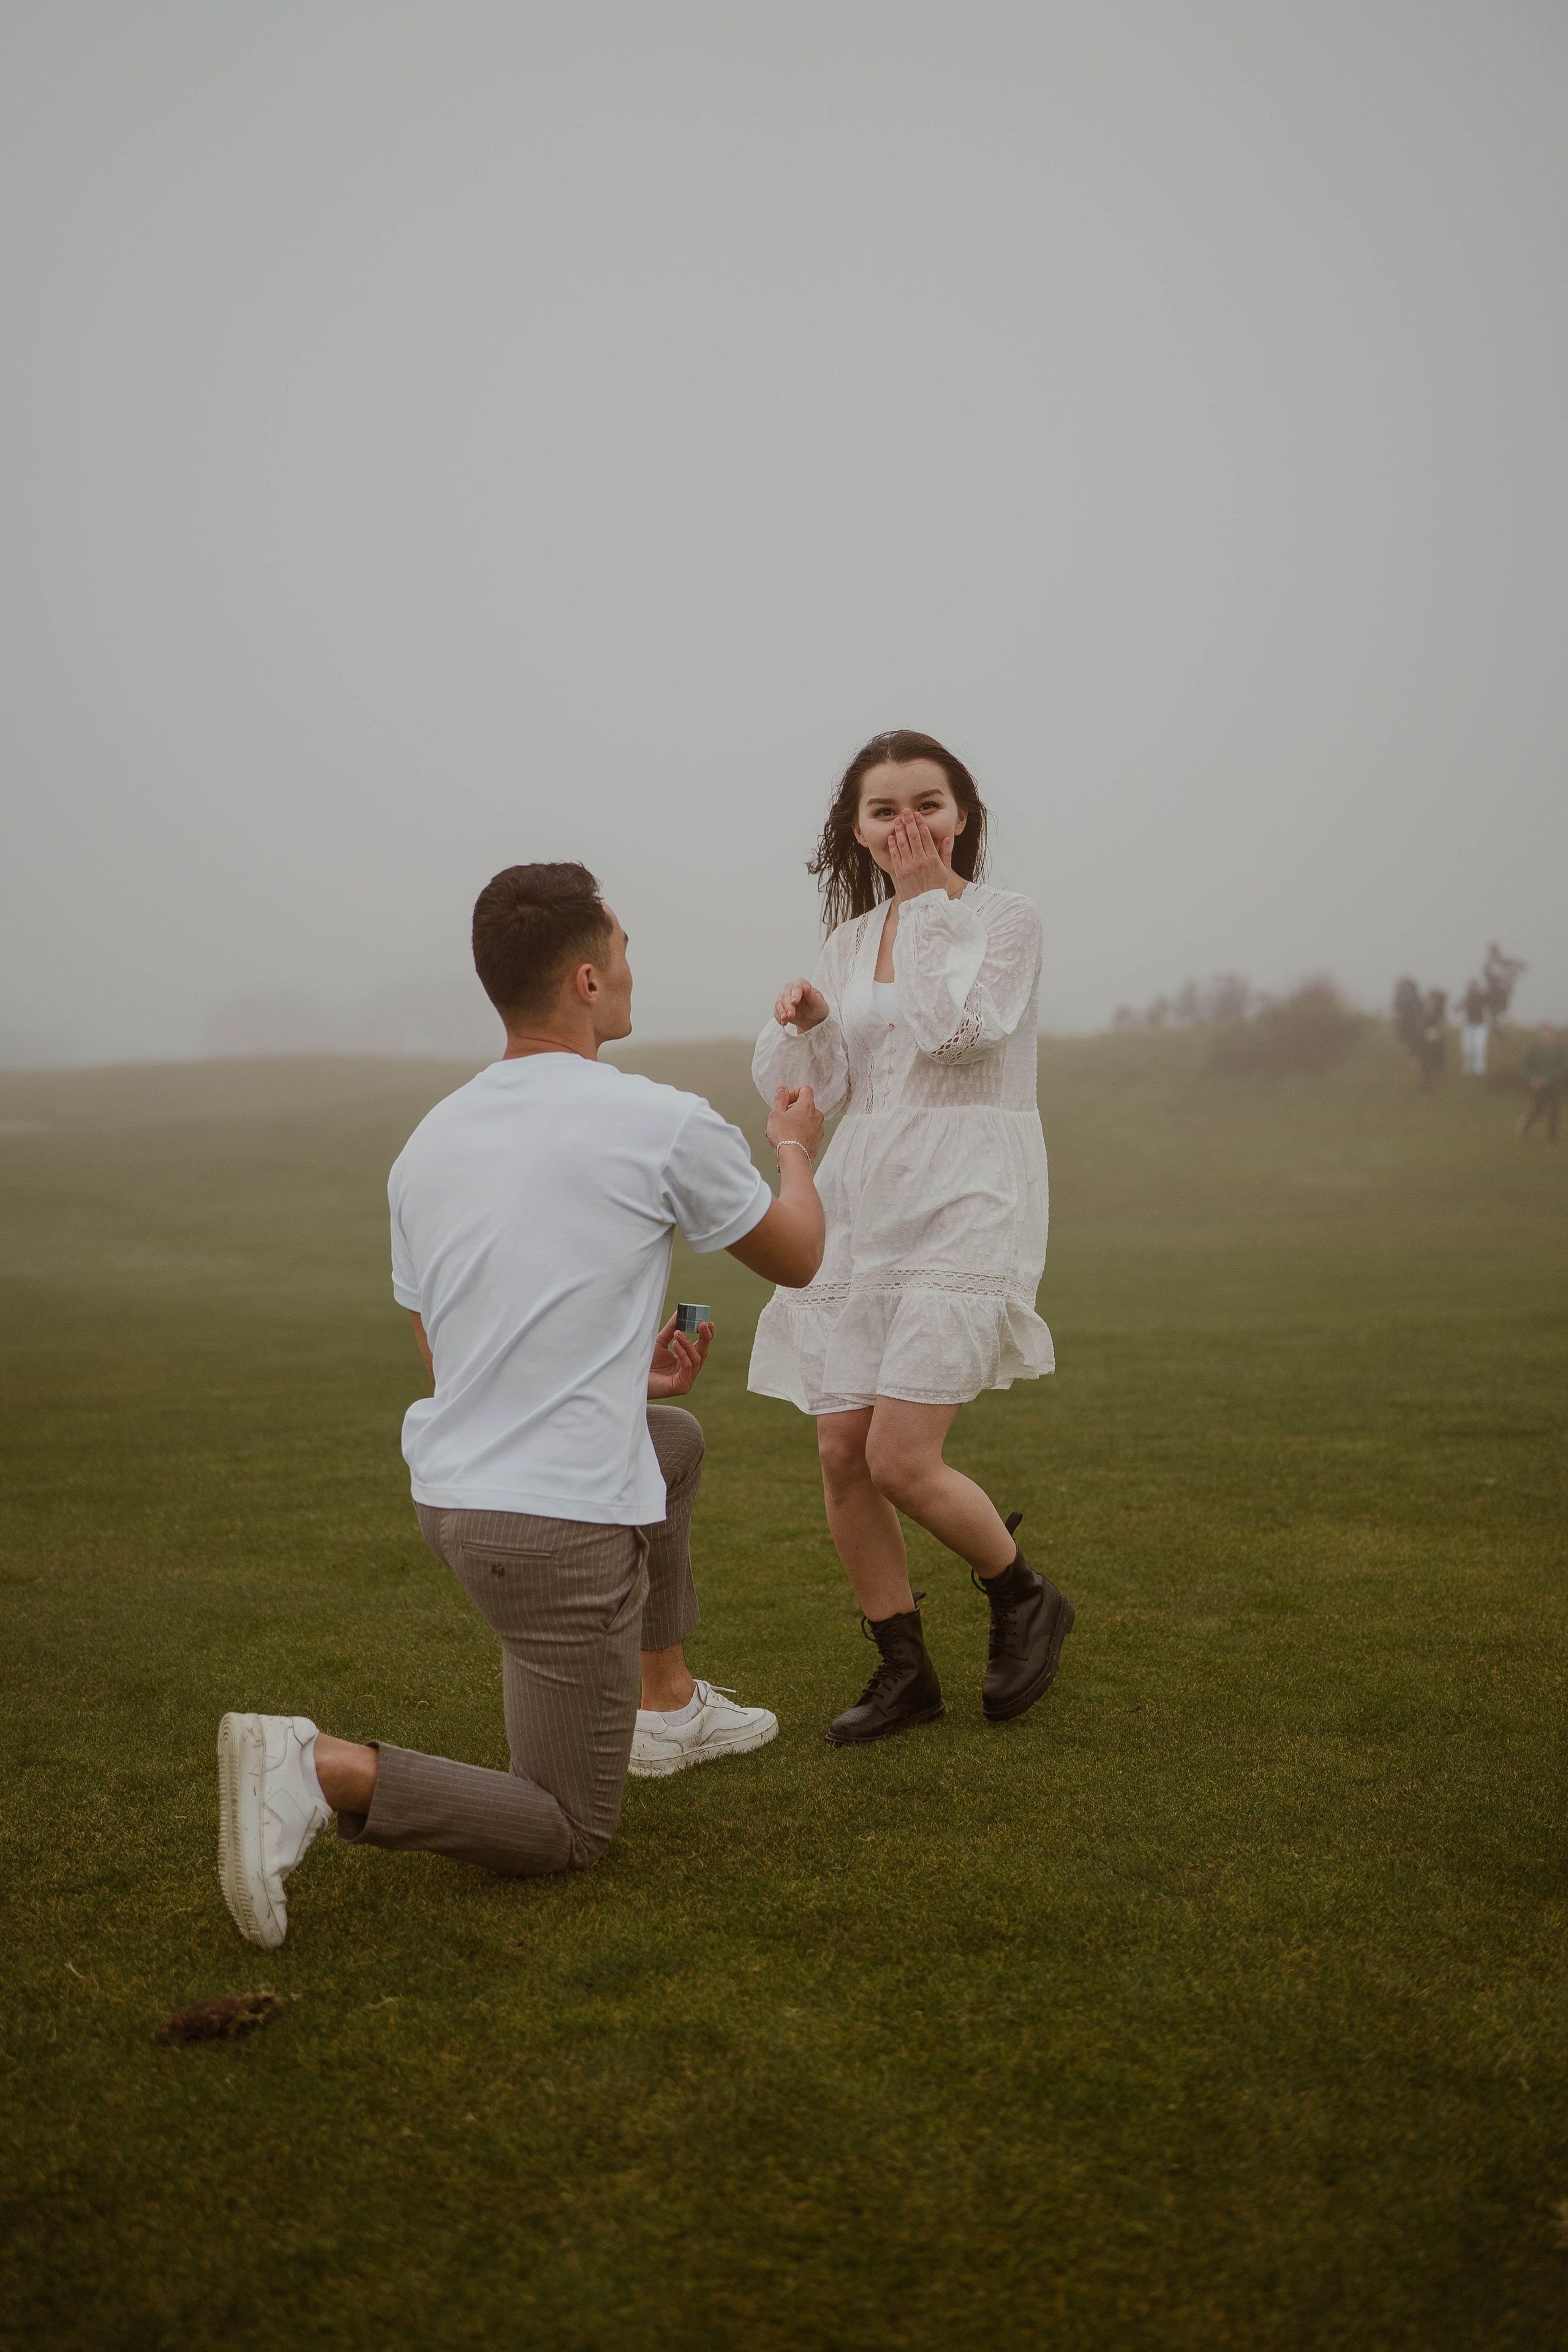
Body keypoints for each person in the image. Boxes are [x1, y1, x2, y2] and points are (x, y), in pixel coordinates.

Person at [216, 862, 826, 1949]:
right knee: (567, 1829)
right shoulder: (661, 1121)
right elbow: (799, 1257)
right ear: (587, 980)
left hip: (455, 1498)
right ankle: (318, 1767)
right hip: (549, 1532)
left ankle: (666, 1706)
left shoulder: (430, 1141)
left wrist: (622, 1380)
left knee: (671, 1441)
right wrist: (793, 1153)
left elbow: (449, 1352)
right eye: (624, 953)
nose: (632, 972)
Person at [750, 729, 1070, 1746]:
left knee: (899, 1455)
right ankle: (904, 1671)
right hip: (865, 1202)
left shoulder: (1005, 919)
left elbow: (958, 1035)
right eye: (884, 810)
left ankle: (1022, 1595)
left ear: (961, 814)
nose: (908, 825)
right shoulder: (849, 944)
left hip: (970, 1193)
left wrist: (929, 904)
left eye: (927, 804)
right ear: (857, 830)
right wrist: (810, 1021)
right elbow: (819, 1093)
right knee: (842, 1450)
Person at [1517, 1023, 1566, 1144]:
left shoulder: (1559, 1051)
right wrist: (1532, 1079)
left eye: (1549, 1035)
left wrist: (1549, 1078)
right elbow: (1526, 1067)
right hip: (1539, 1086)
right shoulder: (1534, 1051)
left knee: (1554, 1112)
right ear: (1541, 1036)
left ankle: (1551, 1140)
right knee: (1538, 1111)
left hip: (1553, 1086)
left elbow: (1562, 1068)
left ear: (1553, 1036)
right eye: (1545, 1035)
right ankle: (1525, 1124)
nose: (1547, 1037)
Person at [1460, 979, 1489, 1077]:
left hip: (1480, 1025)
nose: (1474, 988)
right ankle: (1467, 1068)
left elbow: (1489, 1008)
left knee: (1479, 1047)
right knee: (1467, 1048)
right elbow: (1458, 1008)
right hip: (1469, 1025)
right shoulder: (1467, 998)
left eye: (1475, 986)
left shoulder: (1483, 997)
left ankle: (1479, 1070)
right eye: (1472, 986)